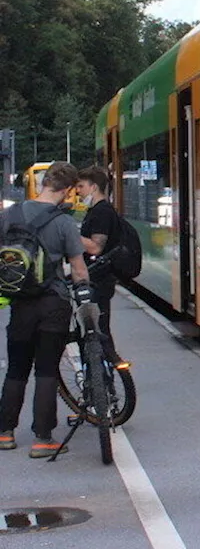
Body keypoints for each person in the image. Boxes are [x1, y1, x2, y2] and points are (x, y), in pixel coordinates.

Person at [0, 161, 93, 457]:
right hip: (54, 302)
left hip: (19, 303)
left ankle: (5, 433)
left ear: (43, 184)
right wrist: (86, 297)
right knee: (46, 369)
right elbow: (78, 269)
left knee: (16, 368)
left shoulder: (8, 215)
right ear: (66, 191)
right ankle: (42, 439)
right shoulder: (64, 222)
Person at [76, 165, 127, 368]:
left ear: (94, 186)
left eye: (80, 186)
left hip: (100, 279)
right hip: (97, 277)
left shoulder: (102, 212)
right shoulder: (96, 211)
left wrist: (68, 235)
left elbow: (96, 247)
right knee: (98, 327)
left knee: (99, 328)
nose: (77, 191)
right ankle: (104, 376)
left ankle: (109, 372)